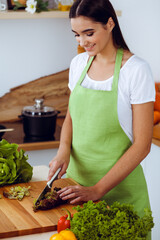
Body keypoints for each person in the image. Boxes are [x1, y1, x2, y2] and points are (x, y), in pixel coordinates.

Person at [48, 0, 155, 238]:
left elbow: (142, 145)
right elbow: (72, 117)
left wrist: (97, 190)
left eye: (89, 33)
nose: (82, 42)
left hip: (122, 194)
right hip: (76, 190)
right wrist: (63, 150)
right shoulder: (78, 64)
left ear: (109, 24)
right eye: (76, 35)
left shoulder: (136, 70)